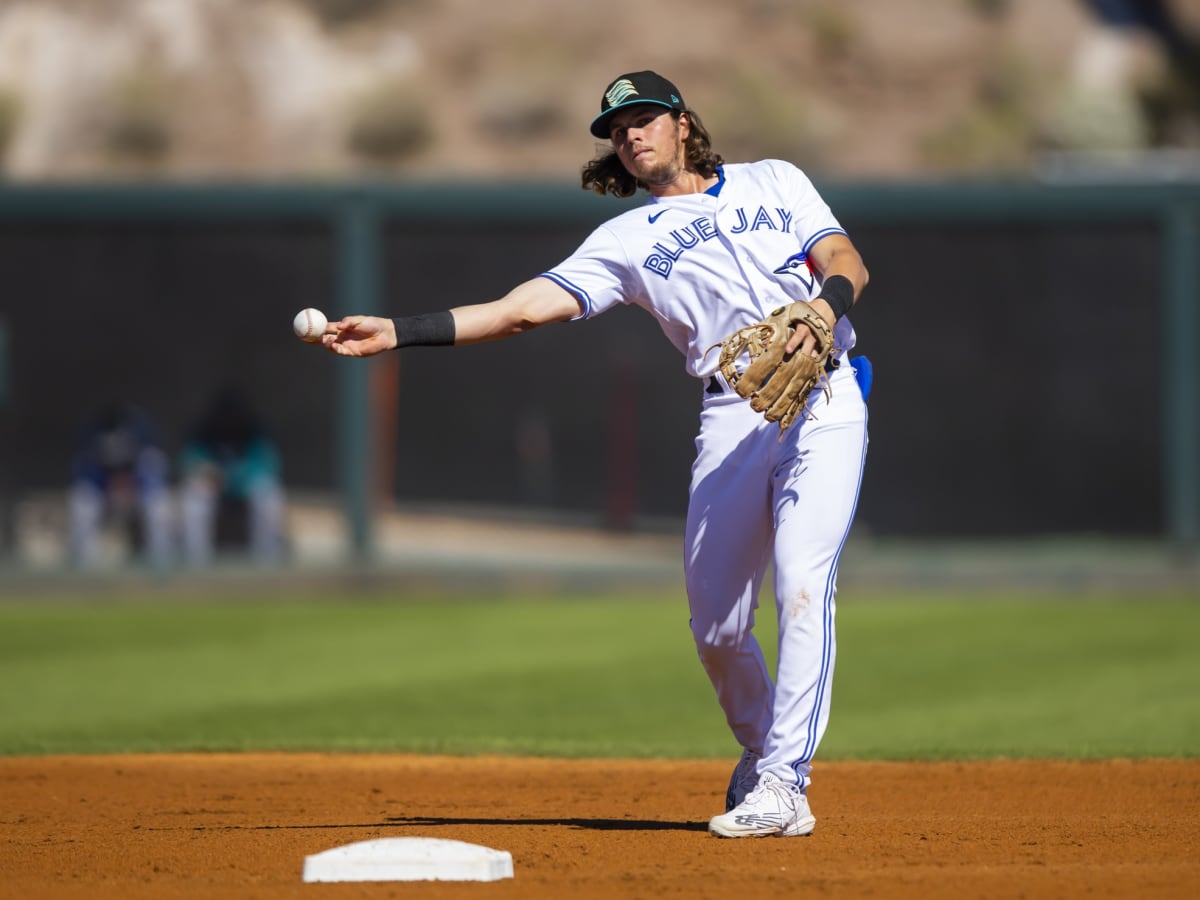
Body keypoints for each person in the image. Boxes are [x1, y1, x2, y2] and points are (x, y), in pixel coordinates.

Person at [320, 70, 870, 838]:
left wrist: (824, 306)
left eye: (644, 118)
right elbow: (518, 311)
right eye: (617, 130)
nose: (631, 135)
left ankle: (785, 783)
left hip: (828, 399)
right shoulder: (624, 241)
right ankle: (758, 755)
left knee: (803, 583)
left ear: (682, 122)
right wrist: (398, 330)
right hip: (731, 417)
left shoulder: (775, 180)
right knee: (716, 628)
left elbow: (847, 260)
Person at [178, 387, 287, 566]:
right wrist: (209, 473)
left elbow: (268, 465)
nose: (229, 419)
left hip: (245, 486)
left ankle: (267, 561)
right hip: (212, 486)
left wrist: (236, 478)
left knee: (268, 495)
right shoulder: (204, 429)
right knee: (194, 499)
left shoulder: (254, 428)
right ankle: (196, 562)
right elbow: (189, 462)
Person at [67, 400, 174, 568]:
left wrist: (130, 488)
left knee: (158, 506)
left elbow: (153, 478)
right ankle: (84, 564)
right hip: (105, 493)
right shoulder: (93, 450)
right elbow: (85, 476)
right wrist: (112, 487)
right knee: (83, 504)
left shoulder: (146, 451)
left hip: (136, 492)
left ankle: (161, 562)